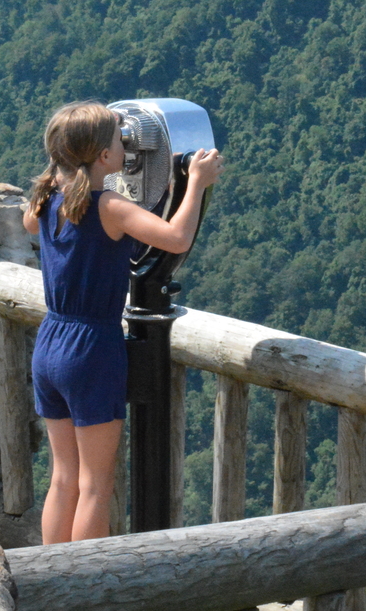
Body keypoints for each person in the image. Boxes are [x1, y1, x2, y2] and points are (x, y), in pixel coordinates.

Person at [23, 101, 223, 544]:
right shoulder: (109, 207)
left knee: (63, 478)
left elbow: (32, 227)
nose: (125, 147)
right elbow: (175, 237)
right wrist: (195, 183)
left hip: (50, 342)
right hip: (92, 348)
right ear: (105, 158)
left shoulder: (44, 202)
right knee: (96, 484)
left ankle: (53, 582)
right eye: (119, 142)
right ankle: (86, 589)